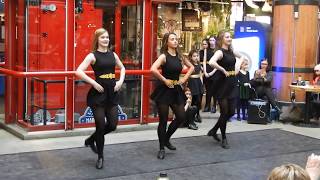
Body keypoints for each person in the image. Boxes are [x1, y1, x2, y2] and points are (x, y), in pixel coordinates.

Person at [76, 28, 125, 169]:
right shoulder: (92, 55)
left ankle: (91, 139)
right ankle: (100, 157)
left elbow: (122, 68)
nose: (106, 39)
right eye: (103, 37)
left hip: (112, 93)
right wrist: (93, 83)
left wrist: (120, 81)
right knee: (100, 125)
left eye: (107, 37)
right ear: (97, 39)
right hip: (98, 95)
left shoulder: (113, 55)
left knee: (113, 125)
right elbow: (78, 71)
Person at [150, 32, 194, 159]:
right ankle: (161, 147)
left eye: (176, 39)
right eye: (172, 39)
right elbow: (153, 68)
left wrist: (184, 78)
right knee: (163, 120)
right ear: (167, 42)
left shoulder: (180, 56)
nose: (175, 41)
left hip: (176, 89)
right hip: (164, 90)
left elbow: (191, 67)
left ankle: (166, 139)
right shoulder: (164, 56)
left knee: (181, 116)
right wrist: (164, 80)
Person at [207, 30, 247, 149]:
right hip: (222, 84)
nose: (230, 39)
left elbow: (243, 57)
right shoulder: (220, 52)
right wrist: (222, 69)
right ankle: (223, 137)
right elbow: (211, 62)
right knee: (224, 112)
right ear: (221, 39)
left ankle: (214, 130)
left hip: (232, 82)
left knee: (231, 112)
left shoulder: (232, 51)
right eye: (227, 37)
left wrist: (238, 66)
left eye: (230, 37)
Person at [200, 38, 217, 113]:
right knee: (208, 90)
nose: (211, 42)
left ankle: (214, 106)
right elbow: (204, 61)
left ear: (215, 41)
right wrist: (205, 72)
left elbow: (219, 63)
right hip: (207, 70)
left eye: (213, 40)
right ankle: (207, 105)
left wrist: (212, 72)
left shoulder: (218, 50)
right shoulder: (206, 49)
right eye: (210, 40)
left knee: (215, 90)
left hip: (215, 71)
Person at [187, 49, 204, 123]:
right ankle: (193, 115)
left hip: (198, 83)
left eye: (197, 56)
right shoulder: (190, 65)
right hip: (192, 82)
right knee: (195, 99)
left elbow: (200, 74)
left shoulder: (199, 64)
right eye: (194, 56)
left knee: (199, 99)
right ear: (191, 57)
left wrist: (202, 83)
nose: (196, 57)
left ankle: (197, 114)